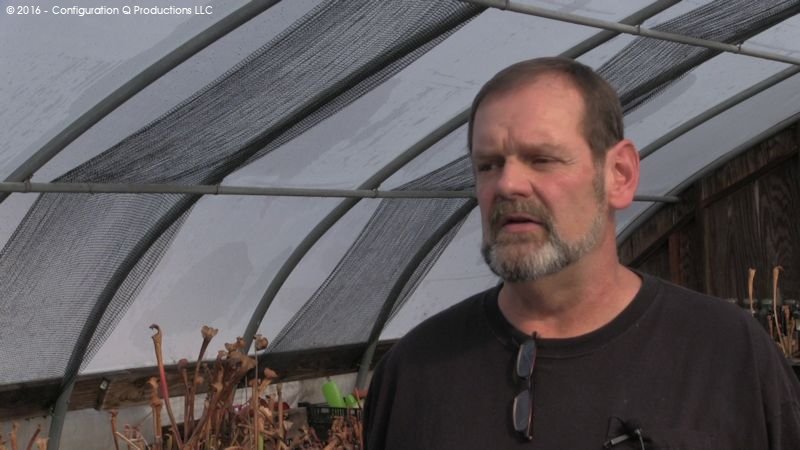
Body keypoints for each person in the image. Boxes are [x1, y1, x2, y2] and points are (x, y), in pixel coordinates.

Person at [363, 57, 800, 449]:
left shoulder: (726, 354)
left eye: (542, 159)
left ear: (619, 175)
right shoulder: (415, 372)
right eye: (488, 165)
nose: (507, 184)